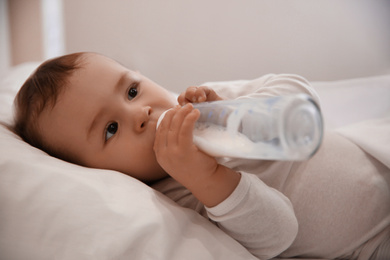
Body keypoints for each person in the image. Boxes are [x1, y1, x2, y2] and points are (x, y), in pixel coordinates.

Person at [13, 52, 389, 260]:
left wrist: (236, 112)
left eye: (131, 91)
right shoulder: (178, 196)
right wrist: (209, 180)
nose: (140, 113)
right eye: (110, 129)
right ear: (94, 171)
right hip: (367, 243)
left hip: (376, 156)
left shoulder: (204, 102)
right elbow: (279, 233)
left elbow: (301, 95)